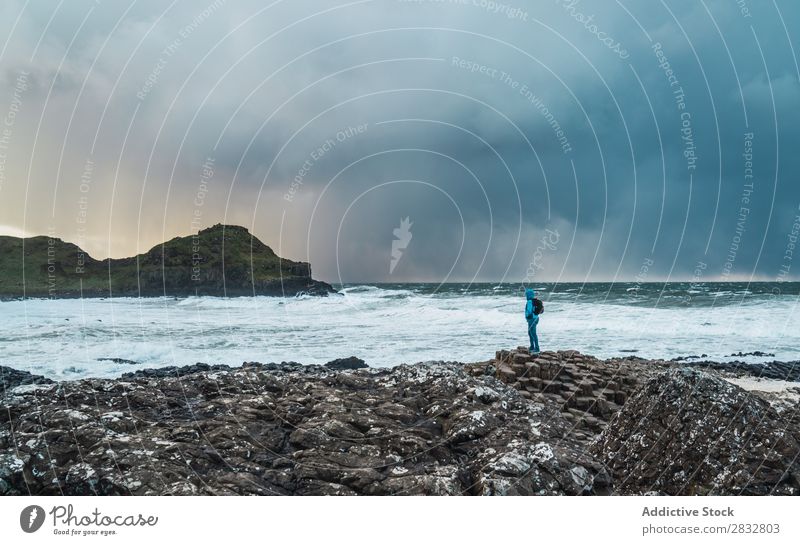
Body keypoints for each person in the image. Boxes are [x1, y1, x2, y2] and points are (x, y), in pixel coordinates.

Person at [525, 288, 540, 353]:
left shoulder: (529, 302)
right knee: (530, 333)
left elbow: (529, 311)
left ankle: (537, 349)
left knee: (533, 333)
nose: (526, 295)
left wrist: (528, 317)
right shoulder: (534, 301)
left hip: (532, 319)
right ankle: (532, 347)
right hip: (535, 318)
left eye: (526, 294)